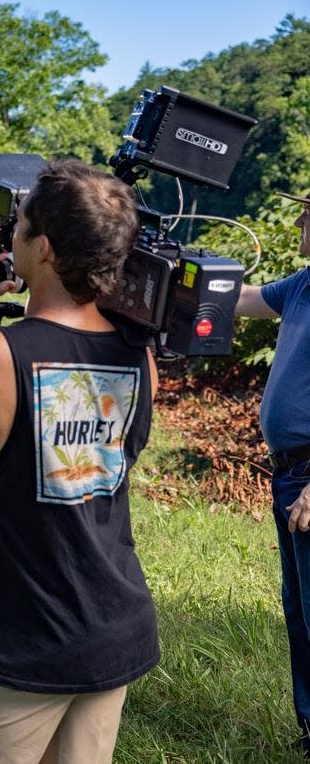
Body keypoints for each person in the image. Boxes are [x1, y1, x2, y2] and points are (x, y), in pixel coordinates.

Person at [0, 160, 160, 763]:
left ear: (42, 249)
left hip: (25, 645)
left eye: (17, 224)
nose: (9, 234)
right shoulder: (139, 360)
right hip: (113, 631)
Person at [234, 189, 310, 756]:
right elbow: (240, 299)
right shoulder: (303, 284)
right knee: (299, 610)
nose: (303, 215)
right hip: (288, 476)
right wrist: (170, 271)